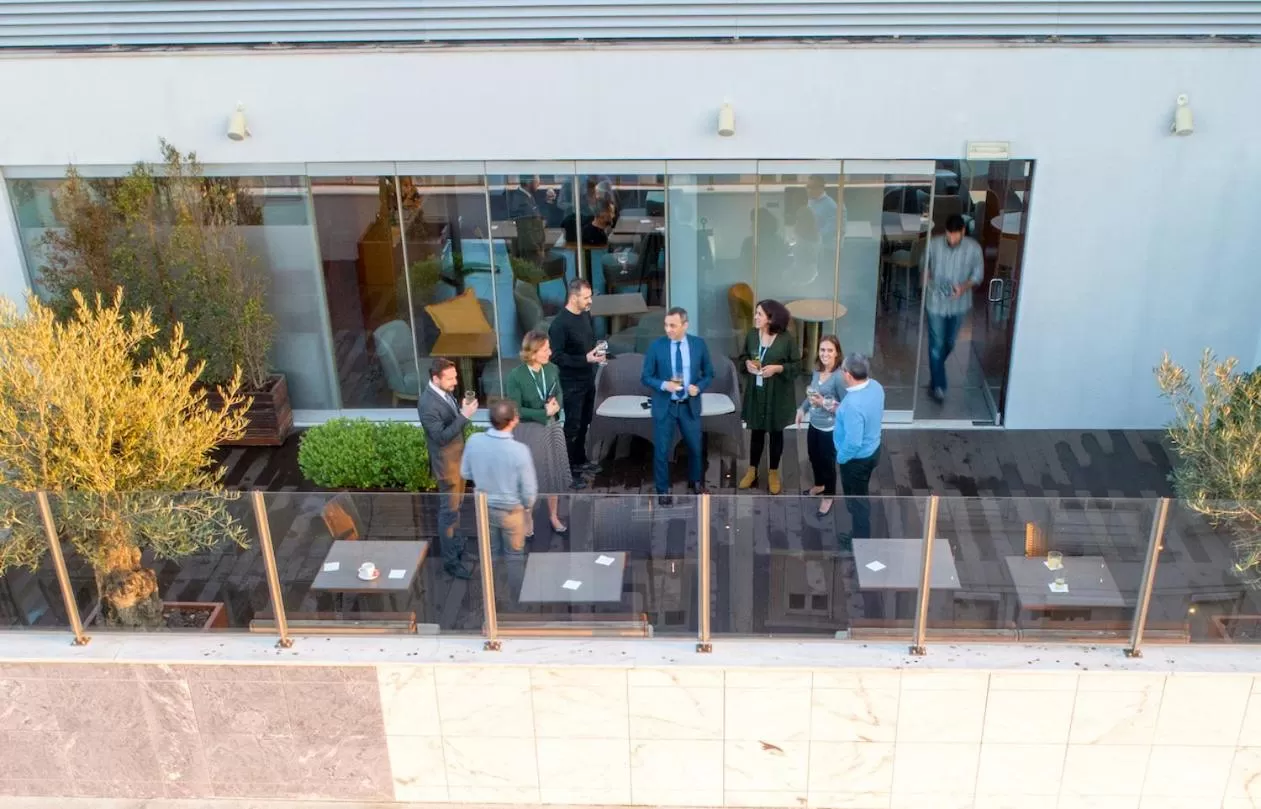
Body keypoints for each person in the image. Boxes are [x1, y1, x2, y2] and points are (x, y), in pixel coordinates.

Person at [460, 400, 538, 594]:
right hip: (512, 512)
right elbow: (529, 493)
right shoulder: (520, 451)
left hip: (483, 508)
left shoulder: (474, 441)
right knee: (514, 556)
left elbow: (465, 473)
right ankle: (516, 599)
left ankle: (490, 597)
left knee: (489, 554)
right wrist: (527, 508)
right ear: (513, 421)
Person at [641, 307, 714, 505]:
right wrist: (665, 385)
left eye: (673, 325)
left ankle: (696, 482)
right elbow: (646, 377)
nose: (668, 329)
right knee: (662, 450)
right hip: (666, 405)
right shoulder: (657, 346)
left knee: (695, 447)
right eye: (666, 325)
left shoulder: (698, 345)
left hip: (689, 404)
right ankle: (662, 490)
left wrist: (698, 388)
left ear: (685, 325)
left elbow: (709, 373)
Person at [417, 358, 479, 579]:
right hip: (448, 467)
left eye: (455, 377)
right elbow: (441, 437)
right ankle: (451, 562)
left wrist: (461, 412)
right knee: (448, 514)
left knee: (456, 509)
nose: (455, 382)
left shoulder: (443, 393)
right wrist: (464, 416)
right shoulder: (427, 404)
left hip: (458, 462)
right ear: (436, 379)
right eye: (451, 378)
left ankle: (457, 545)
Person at [505, 330, 570, 535]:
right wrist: (543, 412)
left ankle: (553, 515)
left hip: (551, 427)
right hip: (529, 430)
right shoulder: (516, 376)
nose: (549, 352)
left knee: (554, 473)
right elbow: (515, 410)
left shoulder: (552, 369)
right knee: (531, 476)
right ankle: (527, 517)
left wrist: (555, 405)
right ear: (532, 353)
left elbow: (558, 391)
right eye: (545, 349)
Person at [738, 299, 800, 495]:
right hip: (757, 392)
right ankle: (752, 470)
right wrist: (747, 363)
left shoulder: (786, 339)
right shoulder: (751, 335)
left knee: (776, 433)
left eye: (759, 314)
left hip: (777, 393)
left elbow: (797, 366)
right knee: (756, 431)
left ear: (770, 318)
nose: (755, 317)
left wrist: (778, 368)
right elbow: (741, 358)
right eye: (756, 313)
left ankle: (773, 472)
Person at [548, 278, 603, 487]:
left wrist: (596, 353)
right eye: (586, 297)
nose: (590, 301)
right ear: (573, 297)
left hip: (587, 378)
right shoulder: (559, 325)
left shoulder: (585, 315)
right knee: (572, 426)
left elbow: (588, 344)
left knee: (585, 421)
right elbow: (556, 357)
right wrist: (585, 359)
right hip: (570, 383)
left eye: (590, 296)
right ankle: (568, 471)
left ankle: (580, 460)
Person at [924, 213, 984, 403]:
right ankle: (939, 386)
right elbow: (924, 267)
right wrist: (929, 279)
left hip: (959, 305)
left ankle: (936, 372)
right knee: (936, 345)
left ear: (963, 232)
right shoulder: (933, 245)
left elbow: (978, 275)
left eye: (955, 234)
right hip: (936, 303)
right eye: (949, 234)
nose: (952, 238)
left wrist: (964, 287)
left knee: (949, 343)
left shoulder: (974, 249)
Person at [833, 353, 885, 542]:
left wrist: (841, 457)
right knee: (860, 494)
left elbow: (853, 442)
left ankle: (860, 541)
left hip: (855, 461)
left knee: (857, 502)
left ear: (847, 374)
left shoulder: (853, 406)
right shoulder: (876, 387)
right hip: (873, 450)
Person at [795, 335, 845, 517]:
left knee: (827, 463)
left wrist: (824, 402)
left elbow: (845, 408)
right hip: (814, 425)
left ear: (837, 353)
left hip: (829, 430)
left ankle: (829, 496)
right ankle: (819, 485)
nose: (825, 354)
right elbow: (812, 396)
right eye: (822, 350)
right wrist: (802, 409)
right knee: (813, 457)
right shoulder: (817, 372)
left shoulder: (839, 378)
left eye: (830, 350)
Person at [806, 175, 838, 243]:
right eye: (808, 187)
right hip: (811, 244)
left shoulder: (831, 205)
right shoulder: (810, 201)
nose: (809, 190)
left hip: (824, 247)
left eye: (812, 188)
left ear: (821, 188)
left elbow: (830, 230)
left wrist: (813, 237)